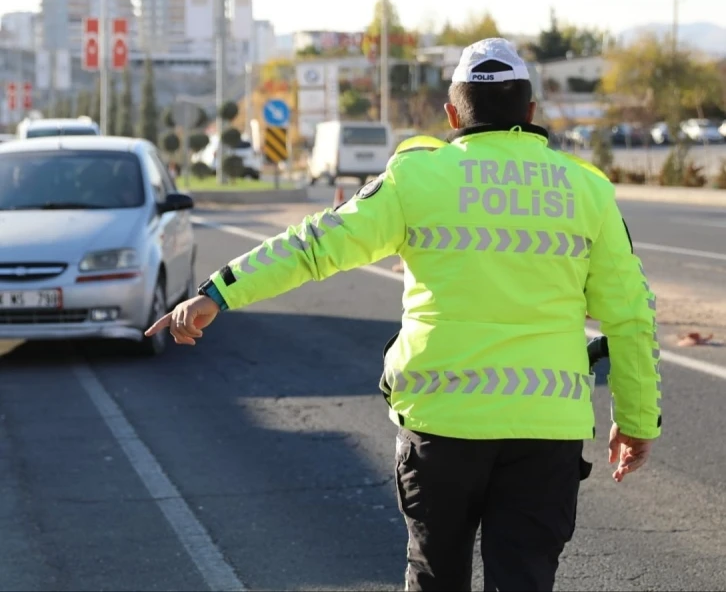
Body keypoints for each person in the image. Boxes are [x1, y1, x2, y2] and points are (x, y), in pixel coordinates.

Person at [146, 38, 662, 592]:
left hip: (440, 427)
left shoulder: (416, 181)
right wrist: (636, 421)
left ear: (451, 113)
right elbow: (631, 317)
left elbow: (313, 247)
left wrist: (216, 294)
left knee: (435, 577)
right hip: (546, 434)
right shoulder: (588, 191)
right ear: (531, 112)